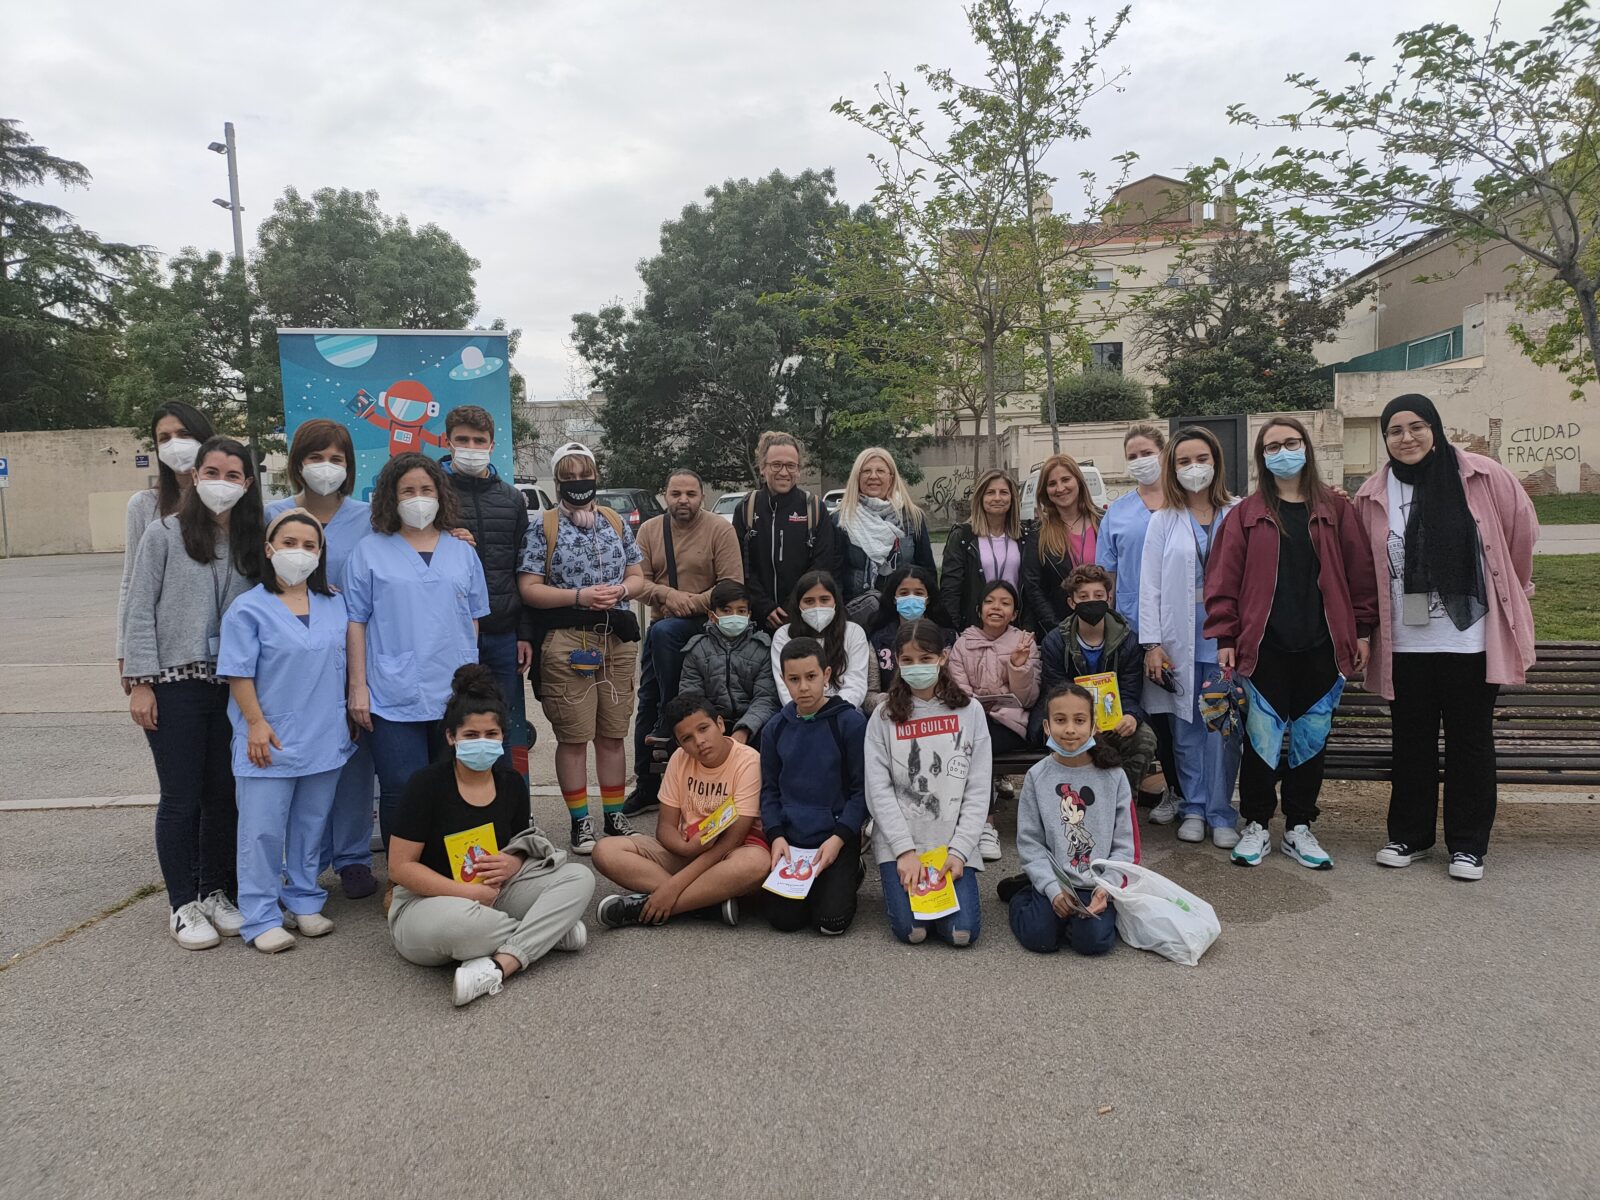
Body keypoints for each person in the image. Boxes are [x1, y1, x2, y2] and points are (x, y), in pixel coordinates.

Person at [1353, 394, 1538, 881]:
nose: (1406, 438)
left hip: (1470, 640)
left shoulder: (1482, 476)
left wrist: (1512, 591)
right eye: (1395, 430)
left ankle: (1468, 845)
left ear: (1434, 427)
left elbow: (1520, 535)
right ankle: (1409, 836)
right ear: (1385, 438)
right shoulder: (1374, 492)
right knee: (1410, 742)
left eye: (1416, 426)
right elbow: (1366, 566)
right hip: (1405, 643)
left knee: (1469, 742)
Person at [1205, 417, 1379, 870]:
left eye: (1291, 442)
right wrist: (1225, 635)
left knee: (1311, 739)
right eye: (1272, 446)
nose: (1283, 452)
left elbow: (1360, 574)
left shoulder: (1336, 510)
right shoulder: (1246, 514)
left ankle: (1300, 826)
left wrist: (1362, 630)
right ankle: (1257, 823)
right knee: (1260, 741)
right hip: (1264, 648)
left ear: (1307, 447)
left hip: (1323, 646)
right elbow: (1223, 580)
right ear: (1261, 457)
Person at [121, 435, 262, 950]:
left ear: (247, 483)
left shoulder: (252, 540)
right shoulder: (163, 533)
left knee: (223, 796)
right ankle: (182, 902)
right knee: (181, 797)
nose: (221, 483)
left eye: (232, 475)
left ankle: (216, 890)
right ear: (196, 475)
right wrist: (140, 682)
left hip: (229, 686)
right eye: (212, 472)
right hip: (174, 683)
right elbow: (139, 608)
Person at [387, 665, 595, 1007]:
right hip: (428, 903)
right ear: (451, 737)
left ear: (502, 736)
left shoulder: (511, 783)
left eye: (491, 734)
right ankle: (547, 931)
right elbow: (400, 867)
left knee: (578, 876)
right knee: (465, 926)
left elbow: (521, 844)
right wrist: (467, 893)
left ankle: (502, 964)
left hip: (495, 894)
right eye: (471, 735)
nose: (481, 742)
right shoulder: (426, 785)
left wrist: (514, 862)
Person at [218, 508, 354, 952]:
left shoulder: (334, 603)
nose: (300, 552)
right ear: (269, 549)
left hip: (324, 734)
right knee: (261, 832)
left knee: (310, 827)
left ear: (321, 554)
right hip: (268, 738)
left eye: (310, 545)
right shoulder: (248, 608)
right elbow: (238, 672)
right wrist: (255, 724)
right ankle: (260, 916)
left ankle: (303, 900)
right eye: (289, 543)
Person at [344, 453, 490, 856]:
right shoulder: (368, 552)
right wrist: (358, 687)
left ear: (440, 494)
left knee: (456, 784)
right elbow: (355, 622)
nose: (418, 498)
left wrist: (472, 683)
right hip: (391, 690)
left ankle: (453, 869)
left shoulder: (461, 551)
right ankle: (403, 876)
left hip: (454, 690)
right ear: (391, 498)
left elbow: (473, 618)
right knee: (401, 787)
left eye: (426, 489)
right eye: (407, 490)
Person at [265, 418, 378, 900]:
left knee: (354, 756)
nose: (325, 467)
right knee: (298, 759)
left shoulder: (369, 518)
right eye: (315, 458)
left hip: (352, 653)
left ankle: (352, 857)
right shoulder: (273, 515)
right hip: (292, 657)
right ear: (297, 463)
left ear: (349, 466)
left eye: (336, 459)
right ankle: (302, 862)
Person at [517, 441, 645, 854]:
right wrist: (579, 597)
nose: (578, 482)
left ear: (596, 476)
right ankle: (580, 823)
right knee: (573, 737)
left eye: (584, 474)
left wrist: (623, 590)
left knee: (613, 734)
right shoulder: (543, 526)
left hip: (616, 640)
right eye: (569, 477)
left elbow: (637, 575)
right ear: (557, 482)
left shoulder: (614, 521)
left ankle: (614, 815)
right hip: (568, 640)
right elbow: (529, 588)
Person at [1139, 426, 1243, 849]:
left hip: (1225, 642)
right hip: (1178, 641)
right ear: (1172, 467)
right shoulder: (1163, 520)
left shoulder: (1238, 512)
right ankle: (1194, 808)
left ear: (1216, 462)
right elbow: (1149, 586)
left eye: (1201, 459)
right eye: (1183, 461)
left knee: (1223, 729)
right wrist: (1152, 643)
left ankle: (1221, 811)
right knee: (1185, 730)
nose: (1193, 468)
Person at [864, 619, 993, 947]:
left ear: (943, 657)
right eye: (907, 660)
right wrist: (904, 851)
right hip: (901, 844)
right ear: (896, 661)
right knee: (913, 932)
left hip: (950, 844)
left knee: (962, 934)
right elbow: (878, 790)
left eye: (925, 658)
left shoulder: (970, 711)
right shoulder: (883, 716)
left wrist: (960, 850)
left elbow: (978, 788)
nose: (917, 666)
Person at [592, 693, 770, 928]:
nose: (699, 741)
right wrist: (686, 848)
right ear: (679, 744)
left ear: (719, 724)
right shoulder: (679, 759)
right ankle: (705, 902)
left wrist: (673, 888)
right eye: (687, 738)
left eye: (704, 729)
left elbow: (733, 840)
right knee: (605, 850)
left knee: (756, 863)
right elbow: (665, 828)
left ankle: (649, 907)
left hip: (730, 853)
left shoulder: (748, 761)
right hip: (688, 848)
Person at [626, 467, 743, 815]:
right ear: (665, 495)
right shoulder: (649, 530)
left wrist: (690, 603)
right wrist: (667, 595)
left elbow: (731, 582)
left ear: (702, 497)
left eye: (691, 494)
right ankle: (647, 785)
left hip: (708, 625)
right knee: (646, 701)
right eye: (676, 494)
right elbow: (638, 582)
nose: (683, 500)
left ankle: (672, 714)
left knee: (685, 694)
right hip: (663, 625)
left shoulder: (720, 529)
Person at [1007, 683, 1134, 956]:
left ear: (1094, 726)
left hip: (1097, 884)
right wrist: (1052, 889)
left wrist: (1107, 888)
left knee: (1093, 943)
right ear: (1046, 726)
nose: (1070, 730)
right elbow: (1030, 842)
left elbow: (1125, 846)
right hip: (1056, 878)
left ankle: (1068, 917)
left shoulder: (1114, 776)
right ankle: (1023, 893)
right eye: (1060, 720)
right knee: (1039, 938)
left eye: (1079, 720)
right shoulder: (1037, 776)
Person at [1097, 423, 1182, 821]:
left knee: (1190, 717)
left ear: (1163, 453)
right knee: (1157, 716)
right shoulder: (1118, 512)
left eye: (1146, 453)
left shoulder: (1186, 502)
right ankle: (1174, 791)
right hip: (1135, 629)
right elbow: (1107, 579)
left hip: (1185, 625)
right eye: (1132, 456)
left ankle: (1202, 797)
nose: (1140, 461)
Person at [1035, 564, 1166, 814]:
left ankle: (1120, 806)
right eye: (1083, 597)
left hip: (1114, 720)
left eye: (1098, 595)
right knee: (1062, 734)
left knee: (1144, 738)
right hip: (1072, 720)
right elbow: (1055, 693)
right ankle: (1072, 807)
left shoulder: (1128, 640)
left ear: (1109, 598)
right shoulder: (1055, 641)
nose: (1091, 601)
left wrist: (1131, 715)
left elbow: (1130, 690)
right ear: (1071, 602)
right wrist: (1081, 722)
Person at [760, 637, 870, 935]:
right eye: (794, 679)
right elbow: (769, 791)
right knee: (784, 921)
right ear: (783, 679)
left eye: (811, 676)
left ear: (827, 674)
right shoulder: (775, 729)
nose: (804, 687)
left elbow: (861, 791)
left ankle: (851, 870)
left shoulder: (849, 723)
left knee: (830, 923)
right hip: (792, 840)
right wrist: (776, 835)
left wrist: (840, 837)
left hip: (835, 836)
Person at [439, 405, 532, 750]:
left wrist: (524, 632)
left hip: (502, 634)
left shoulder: (512, 498)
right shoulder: (432, 494)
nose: (471, 447)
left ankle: (500, 786)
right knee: (448, 727)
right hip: (448, 634)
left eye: (479, 441)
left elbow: (523, 567)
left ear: (492, 445)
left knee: (498, 728)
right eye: (462, 439)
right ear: (447, 441)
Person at [118, 401, 215, 689]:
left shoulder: (227, 500)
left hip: (227, 658)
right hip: (169, 662)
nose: (176, 444)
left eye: (184, 434)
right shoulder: (144, 505)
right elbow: (132, 584)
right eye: (165, 438)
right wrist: (126, 652)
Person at [947, 579, 1039, 862]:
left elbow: (1028, 698)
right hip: (972, 721)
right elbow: (957, 691)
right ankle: (970, 821)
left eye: (1005, 603)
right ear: (979, 609)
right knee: (974, 739)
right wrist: (977, 706)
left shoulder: (1024, 643)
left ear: (1014, 613)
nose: (996, 607)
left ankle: (986, 825)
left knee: (978, 744)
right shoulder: (963, 644)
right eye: (989, 602)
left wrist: (1018, 665)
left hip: (1009, 724)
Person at [731, 431, 836, 632]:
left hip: (803, 617)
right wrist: (764, 606)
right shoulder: (746, 508)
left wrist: (792, 606)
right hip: (757, 619)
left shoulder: (814, 508)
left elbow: (822, 563)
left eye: (790, 466)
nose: (784, 472)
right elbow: (741, 566)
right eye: (776, 465)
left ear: (799, 470)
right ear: (762, 468)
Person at [833, 446, 936, 618]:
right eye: (866, 471)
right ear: (857, 477)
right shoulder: (841, 519)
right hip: (857, 615)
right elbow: (834, 574)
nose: (873, 476)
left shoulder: (912, 517)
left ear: (891, 477)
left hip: (904, 613)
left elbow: (927, 571)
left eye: (880, 471)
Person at [678, 580, 781, 747]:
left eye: (741, 611)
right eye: (726, 611)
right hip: (711, 724)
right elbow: (691, 697)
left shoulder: (762, 649)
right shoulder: (697, 650)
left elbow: (766, 698)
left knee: (770, 735)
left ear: (749, 615)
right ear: (712, 615)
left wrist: (745, 729)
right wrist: (712, 728)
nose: (734, 616)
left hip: (752, 723)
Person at [939, 468, 1031, 631]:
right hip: (975, 628)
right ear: (980, 497)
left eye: (1004, 492)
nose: (997, 498)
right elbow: (951, 589)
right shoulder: (963, 536)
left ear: (1012, 498)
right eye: (990, 492)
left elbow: (1032, 587)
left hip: (1015, 627)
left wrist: (1029, 628)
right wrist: (953, 631)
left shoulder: (1025, 537)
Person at [1020, 454, 1102, 634]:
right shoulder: (1038, 533)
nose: (1060, 488)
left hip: (1105, 626)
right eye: (1052, 484)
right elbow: (1034, 587)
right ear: (1045, 491)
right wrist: (1058, 629)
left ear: (1078, 481)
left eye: (1066, 480)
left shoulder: (1104, 523)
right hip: (1060, 628)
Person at [769, 571, 870, 708]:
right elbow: (785, 689)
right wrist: (808, 712)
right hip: (800, 712)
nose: (817, 607)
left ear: (835, 602)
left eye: (824, 600)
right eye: (809, 601)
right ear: (798, 604)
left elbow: (856, 684)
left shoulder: (853, 632)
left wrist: (831, 711)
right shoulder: (783, 635)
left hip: (843, 710)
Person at [865, 565, 957, 701]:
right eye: (904, 593)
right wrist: (891, 703)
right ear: (894, 598)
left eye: (918, 593)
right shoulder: (878, 639)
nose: (911, 598)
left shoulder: (948, 637)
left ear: (928, 599)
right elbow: (870, 695)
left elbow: (957, 684)